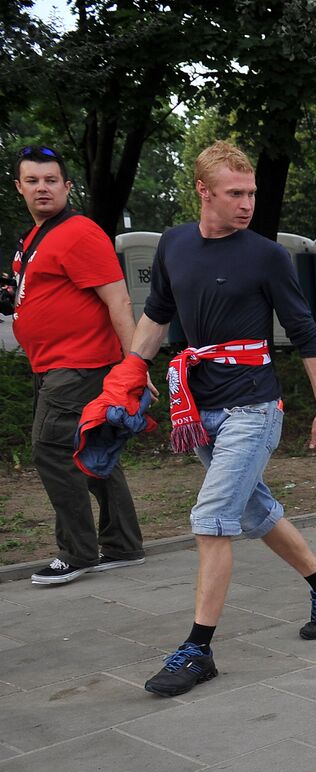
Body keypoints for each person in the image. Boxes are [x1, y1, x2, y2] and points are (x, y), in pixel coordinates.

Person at [120, 140, 316, 696]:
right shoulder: (175, 245)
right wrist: (129, 371)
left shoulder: (266, 255)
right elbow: (156, 316)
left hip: (254, 405)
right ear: (203, 192)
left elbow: (305, 332)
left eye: (251, 192)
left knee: (211, 518)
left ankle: (197, 649)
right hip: (201, 408)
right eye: (235, 193)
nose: (247, 203)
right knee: (254, 510)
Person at [10, 145, 146, 586]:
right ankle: (123, 545)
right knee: (94, 449)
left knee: (52, 450)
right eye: (32, 181)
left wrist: (134, 367)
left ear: (67, 186)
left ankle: (78, 552)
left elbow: (119, 300)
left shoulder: (79, 231)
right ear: (20, 188)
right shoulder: (36, 236)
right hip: (52, 364)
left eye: (51, 180)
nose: (42, 188)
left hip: (80, 364)